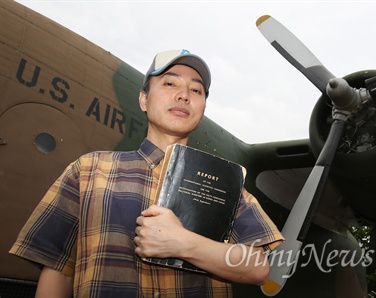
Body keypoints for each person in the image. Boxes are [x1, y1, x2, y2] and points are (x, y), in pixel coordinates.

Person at [10, 49, 284, 297]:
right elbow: (58, 270)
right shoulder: (87, 170)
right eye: (169, 83)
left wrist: (183, 244)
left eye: (196, 91)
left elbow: (259, 267)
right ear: (143, 99)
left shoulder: (228, 185)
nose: (184, 95)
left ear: (202, 109)